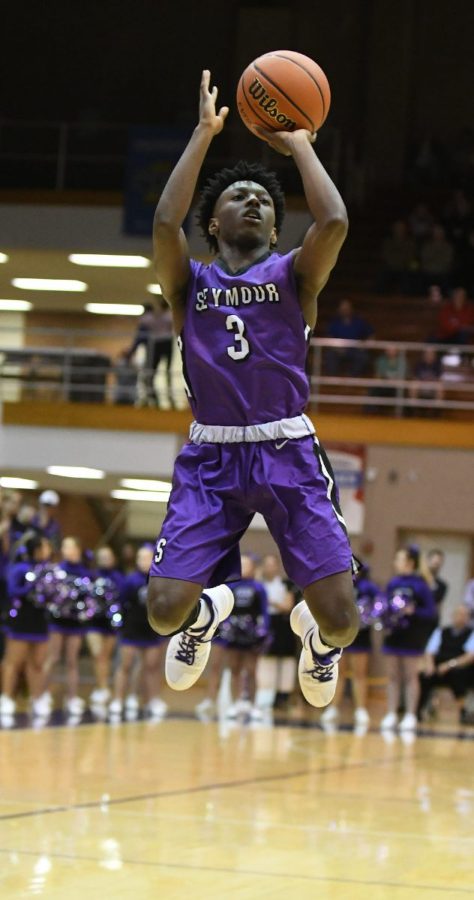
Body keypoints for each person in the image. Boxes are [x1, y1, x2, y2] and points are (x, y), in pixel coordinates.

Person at [145, 70, 359, 713]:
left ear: (273, 233)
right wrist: (204, 135)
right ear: (214, 222)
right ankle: (206, 610)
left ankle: (317, 643)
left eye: (264, 201)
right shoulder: (190, 285)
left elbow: (336, 219)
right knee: (161, 612)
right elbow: (162, 222)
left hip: (288, 451)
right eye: (239, 195)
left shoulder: (295, 277)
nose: (255, 201)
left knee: (344, 621)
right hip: (211, 458)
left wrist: (297, 144)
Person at [380, 545, 436, 732]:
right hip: (393, 635)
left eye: (399, 559)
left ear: (410, 563)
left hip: (412, 637)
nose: (395, 562)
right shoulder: (393, 583)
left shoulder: (421, 585)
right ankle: (391, 712)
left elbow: (431, 613)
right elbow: (385, 604)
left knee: (411, 676)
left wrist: (413, 611)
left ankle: (411, 714)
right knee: (393, 676)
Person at [109, 545, 167, 720]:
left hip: (151, 630)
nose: (143, 561)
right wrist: (120, 625)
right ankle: (117, 700)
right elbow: (121, 604)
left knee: (152, 667)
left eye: (147, 557)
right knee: (125, 665)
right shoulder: (130, 581)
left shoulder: (160, 580)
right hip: (132, 629)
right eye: (140, 557)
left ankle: (152, 700)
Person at [321, 564, 380, 730]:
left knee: (359, 673)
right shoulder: (338, 585)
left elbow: (379, 604)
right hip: (341, 632)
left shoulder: (368, 587)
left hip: (360, 635)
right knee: (338, 672)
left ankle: (360, 709)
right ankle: (333, 708)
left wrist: (368, 616)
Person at [0, 534, 52, 718]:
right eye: (45, 546)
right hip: (22, 619)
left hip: (40, 621)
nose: (49, 550)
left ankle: (37, 699)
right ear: (36, 549)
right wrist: (32, 585)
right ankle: (6, 698)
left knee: (37, 663)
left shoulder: (49, 570)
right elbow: (12, 590)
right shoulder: (20, 568)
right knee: (14, 662)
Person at [43, 536, 90, 716]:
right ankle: (42, 695)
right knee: (53, 658)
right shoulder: (56, 571)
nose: (67, 550)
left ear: (78, 549)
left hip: (75, 623)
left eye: (70, 547)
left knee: (72, 661)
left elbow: (89, 599)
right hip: (57, 621)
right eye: (64, 547)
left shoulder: (85, 573)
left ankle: (71, 698)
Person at [220, 554, 269, 720]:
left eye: (247, 564)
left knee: (251, 670)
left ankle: (253, 705)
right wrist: (225, 625)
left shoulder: (258, 587)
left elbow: (264, 611)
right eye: (241, 564)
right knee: (234, 668)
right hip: (234, 631)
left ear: (253, 568)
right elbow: (225, 608)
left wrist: (263, 630)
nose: (244, 567)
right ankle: (235, 704)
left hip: (251, 632)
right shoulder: (231, 586)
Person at [418, 606, 474, 724]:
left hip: (460, 668)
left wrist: (450, 665)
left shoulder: (471, 633)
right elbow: (429, 651)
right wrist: (430, 665)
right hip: (439, 666)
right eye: (459, 614)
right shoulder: (442, 631)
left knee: (458, 675)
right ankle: (418, 710)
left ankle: (463, 711)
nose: (461, 618)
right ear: (452, 616)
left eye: (465, 615)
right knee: (425, 676)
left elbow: (470, 656)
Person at [257, 554, 297, 712]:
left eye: (272, 565)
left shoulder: (285, 584)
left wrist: (270, 601)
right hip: (266, 623)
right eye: (266, 565)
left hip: (283, 625)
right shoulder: (259, 584)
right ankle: (266, 694)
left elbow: (287, 606)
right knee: (267, 660)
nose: (270, 568)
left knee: (286, 661)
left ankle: (283, 696)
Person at [87, 545, 125, 707]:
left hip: (110, 623)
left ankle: (102, 687)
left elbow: (123, 598)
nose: (104, 559)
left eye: (107, 556)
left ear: (113, 559)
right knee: (98, 654)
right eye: (101, 556)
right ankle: (102, 687)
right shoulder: (91, 576)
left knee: (105, 656)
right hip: (94, 621)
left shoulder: (118, 577)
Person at [125, 300, 174, 407]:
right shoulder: (162, 316)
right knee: (159, 372)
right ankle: (156, 398)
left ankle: (156, 399)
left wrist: (131, 352)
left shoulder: (151, 317)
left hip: (158, 344)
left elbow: (139, 337)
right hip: (163, 343)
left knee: (153, 373)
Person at [325, 299, 374, 377]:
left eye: (347, 308)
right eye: (343, 308)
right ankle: (334, 380)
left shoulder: (359, 322)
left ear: (351, 309)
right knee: (330, 356)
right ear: (339, 309)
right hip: (338, 350)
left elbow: (371, 335)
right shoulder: (334, 323)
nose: (345, 310)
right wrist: (337, 348)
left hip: (355, 349)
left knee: (363, 357)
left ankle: (352, 378)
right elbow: (328, 337)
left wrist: (364, 346)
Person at [426, 548, 448, 621]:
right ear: (428, 560)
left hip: (430, 620)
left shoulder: (442, 585)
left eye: (439, 563)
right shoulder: (416, 581)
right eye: (435, 563)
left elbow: (438, 605)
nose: (436, 565)